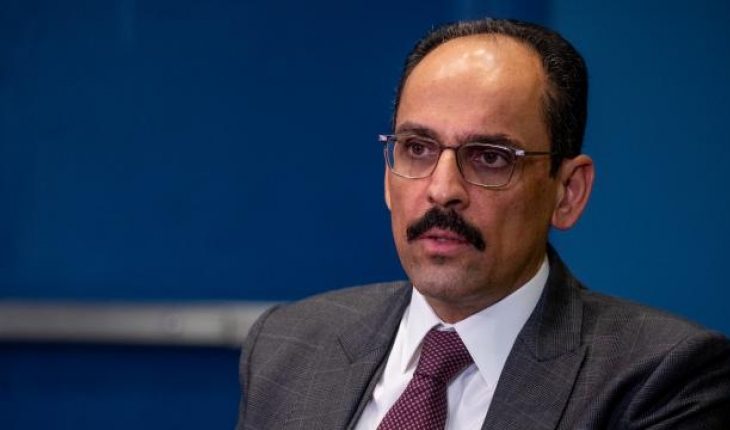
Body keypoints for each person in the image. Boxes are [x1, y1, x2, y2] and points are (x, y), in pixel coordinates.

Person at [235, 18, 730, 429]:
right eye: (417, 148)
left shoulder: (663, 379)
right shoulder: (287, 346)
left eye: (490, 157)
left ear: (567, 192)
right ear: (388, 177)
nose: (442, 188)